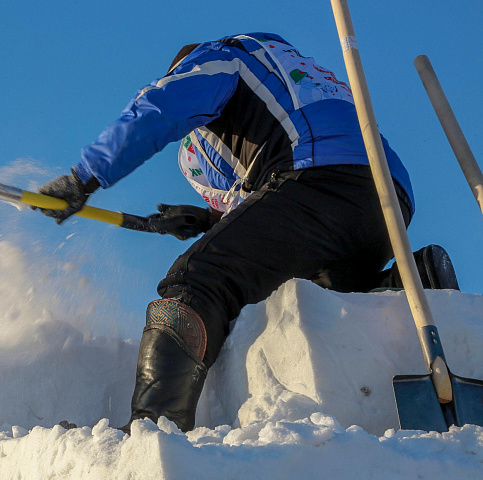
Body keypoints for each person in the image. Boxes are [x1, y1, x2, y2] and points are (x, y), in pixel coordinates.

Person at [36, 32, 457, 433]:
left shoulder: (218, 60)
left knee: (197, 280)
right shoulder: (290, 71)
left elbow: (160, 108)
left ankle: (152, 427)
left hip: (317, 176)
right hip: (386, 200)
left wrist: (83, 178)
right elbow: (263, 217)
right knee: (321, 293)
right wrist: (208, 220)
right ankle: (410, 279)